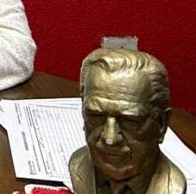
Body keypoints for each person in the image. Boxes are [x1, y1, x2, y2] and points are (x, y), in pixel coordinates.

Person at [69, 48, 185, 194]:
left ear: (161, 124)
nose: (110, 139)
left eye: (129, 121)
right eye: (95, 116)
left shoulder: (172, 187)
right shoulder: (78, 165)